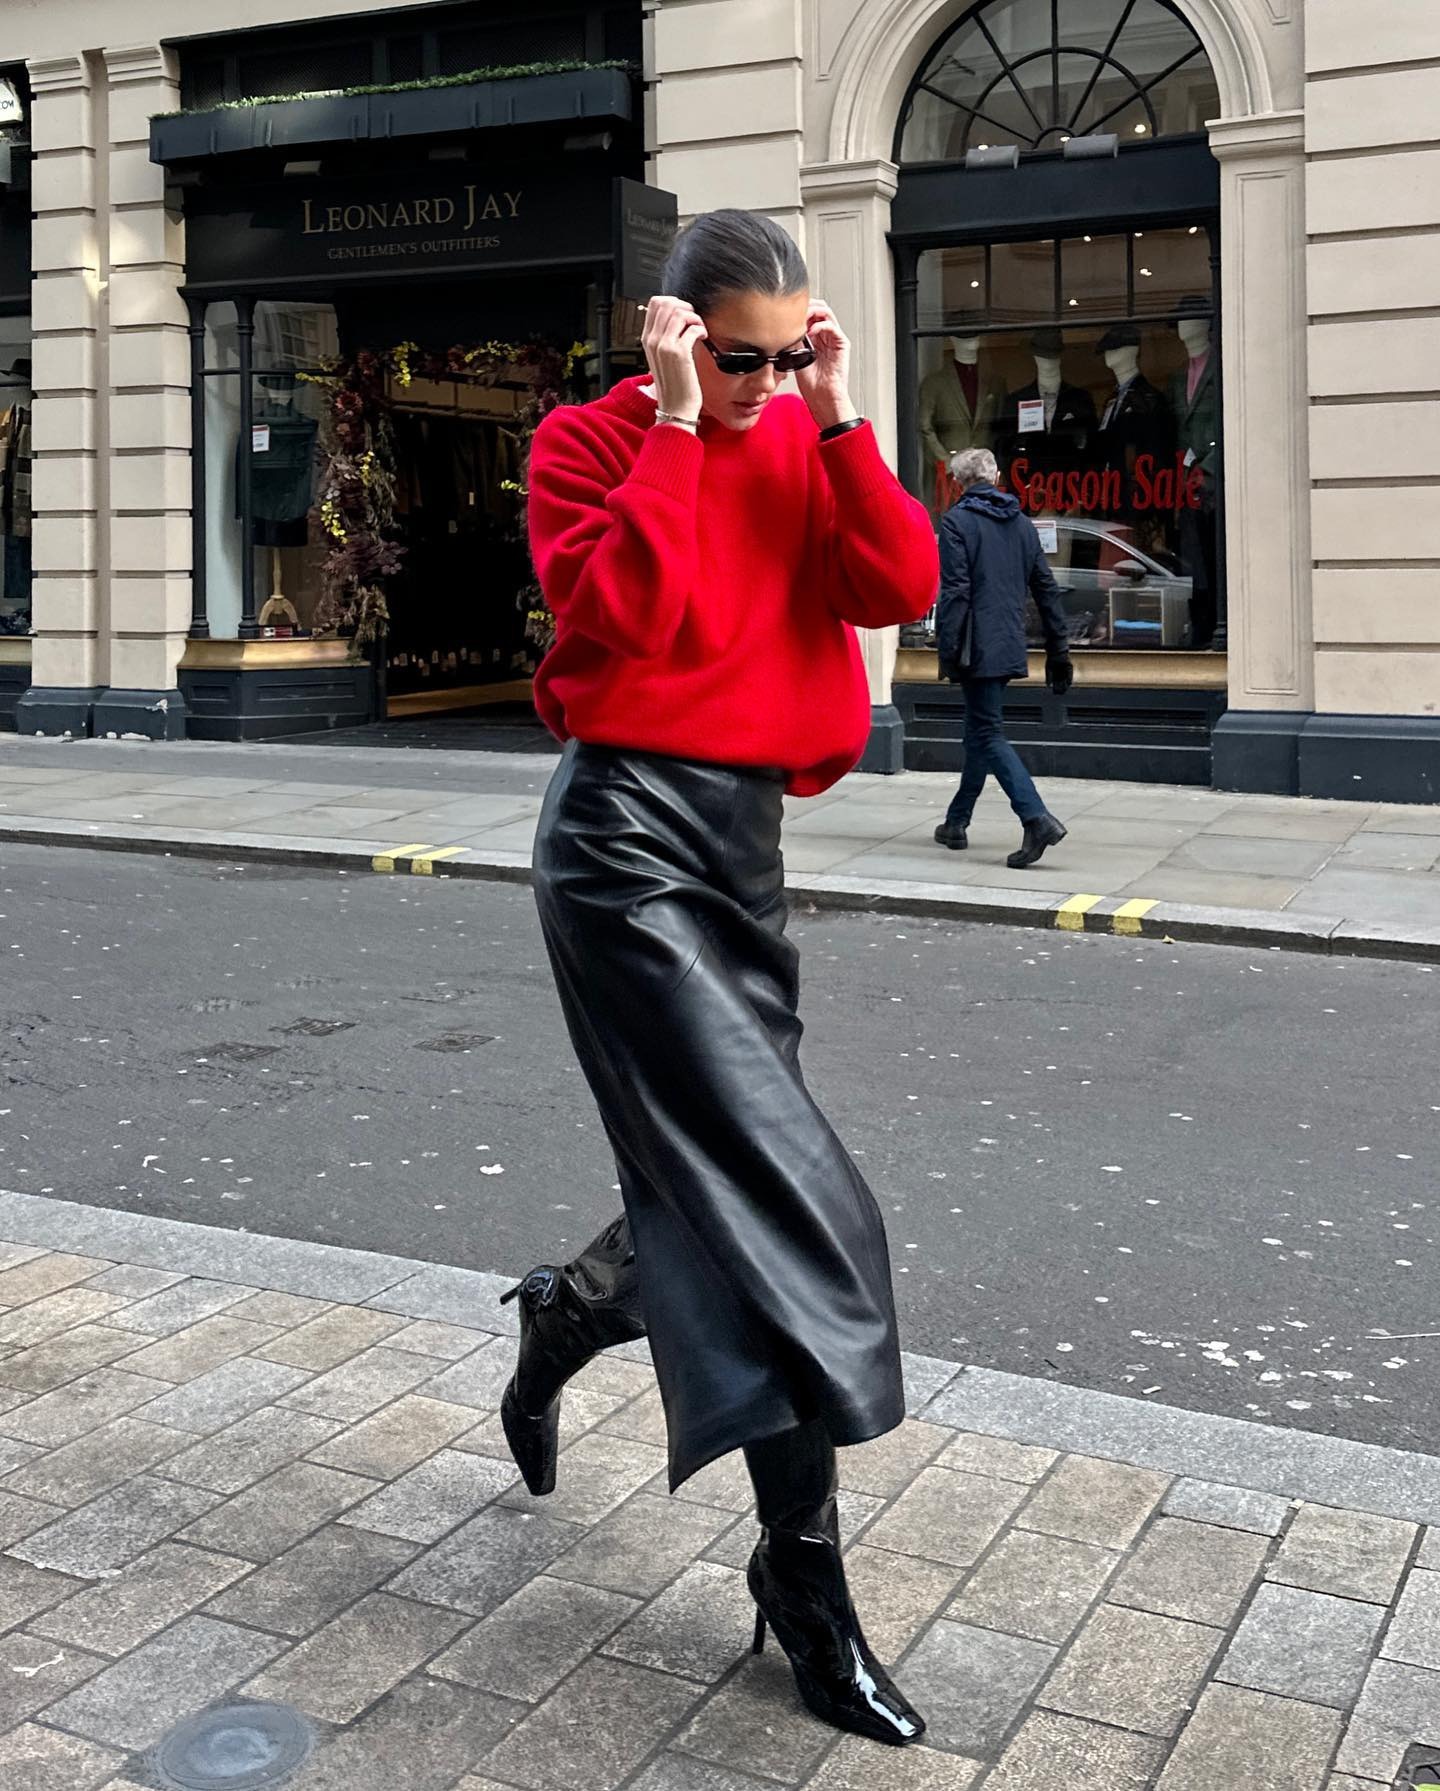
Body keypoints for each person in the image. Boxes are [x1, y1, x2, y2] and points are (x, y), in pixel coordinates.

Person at [506, 209, 939, 1749]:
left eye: (789, 351)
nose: (767, 378)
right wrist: (682, 428)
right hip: (621, 844)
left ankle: (569, 1309)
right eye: (740, 356)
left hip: (743, 851)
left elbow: (898, 584)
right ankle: (806, 1585)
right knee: (792, 1200)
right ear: (679, 333)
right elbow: (625, 615)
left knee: (725, 1186)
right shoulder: (589, 444)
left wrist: (841, 416)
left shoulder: (808, 437)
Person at [933, 447, 1073, 867]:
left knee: (987, 733)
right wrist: (1059, 650)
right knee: (979, 730)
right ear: (995, 479)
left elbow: (956, 592)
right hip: (1008, 642)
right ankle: (956, 822)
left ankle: (1035, 818)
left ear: (957, 483)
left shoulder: (955, 522)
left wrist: (948, 648)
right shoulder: (1022, 524)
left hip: (974, 647)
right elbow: (1046, 589)